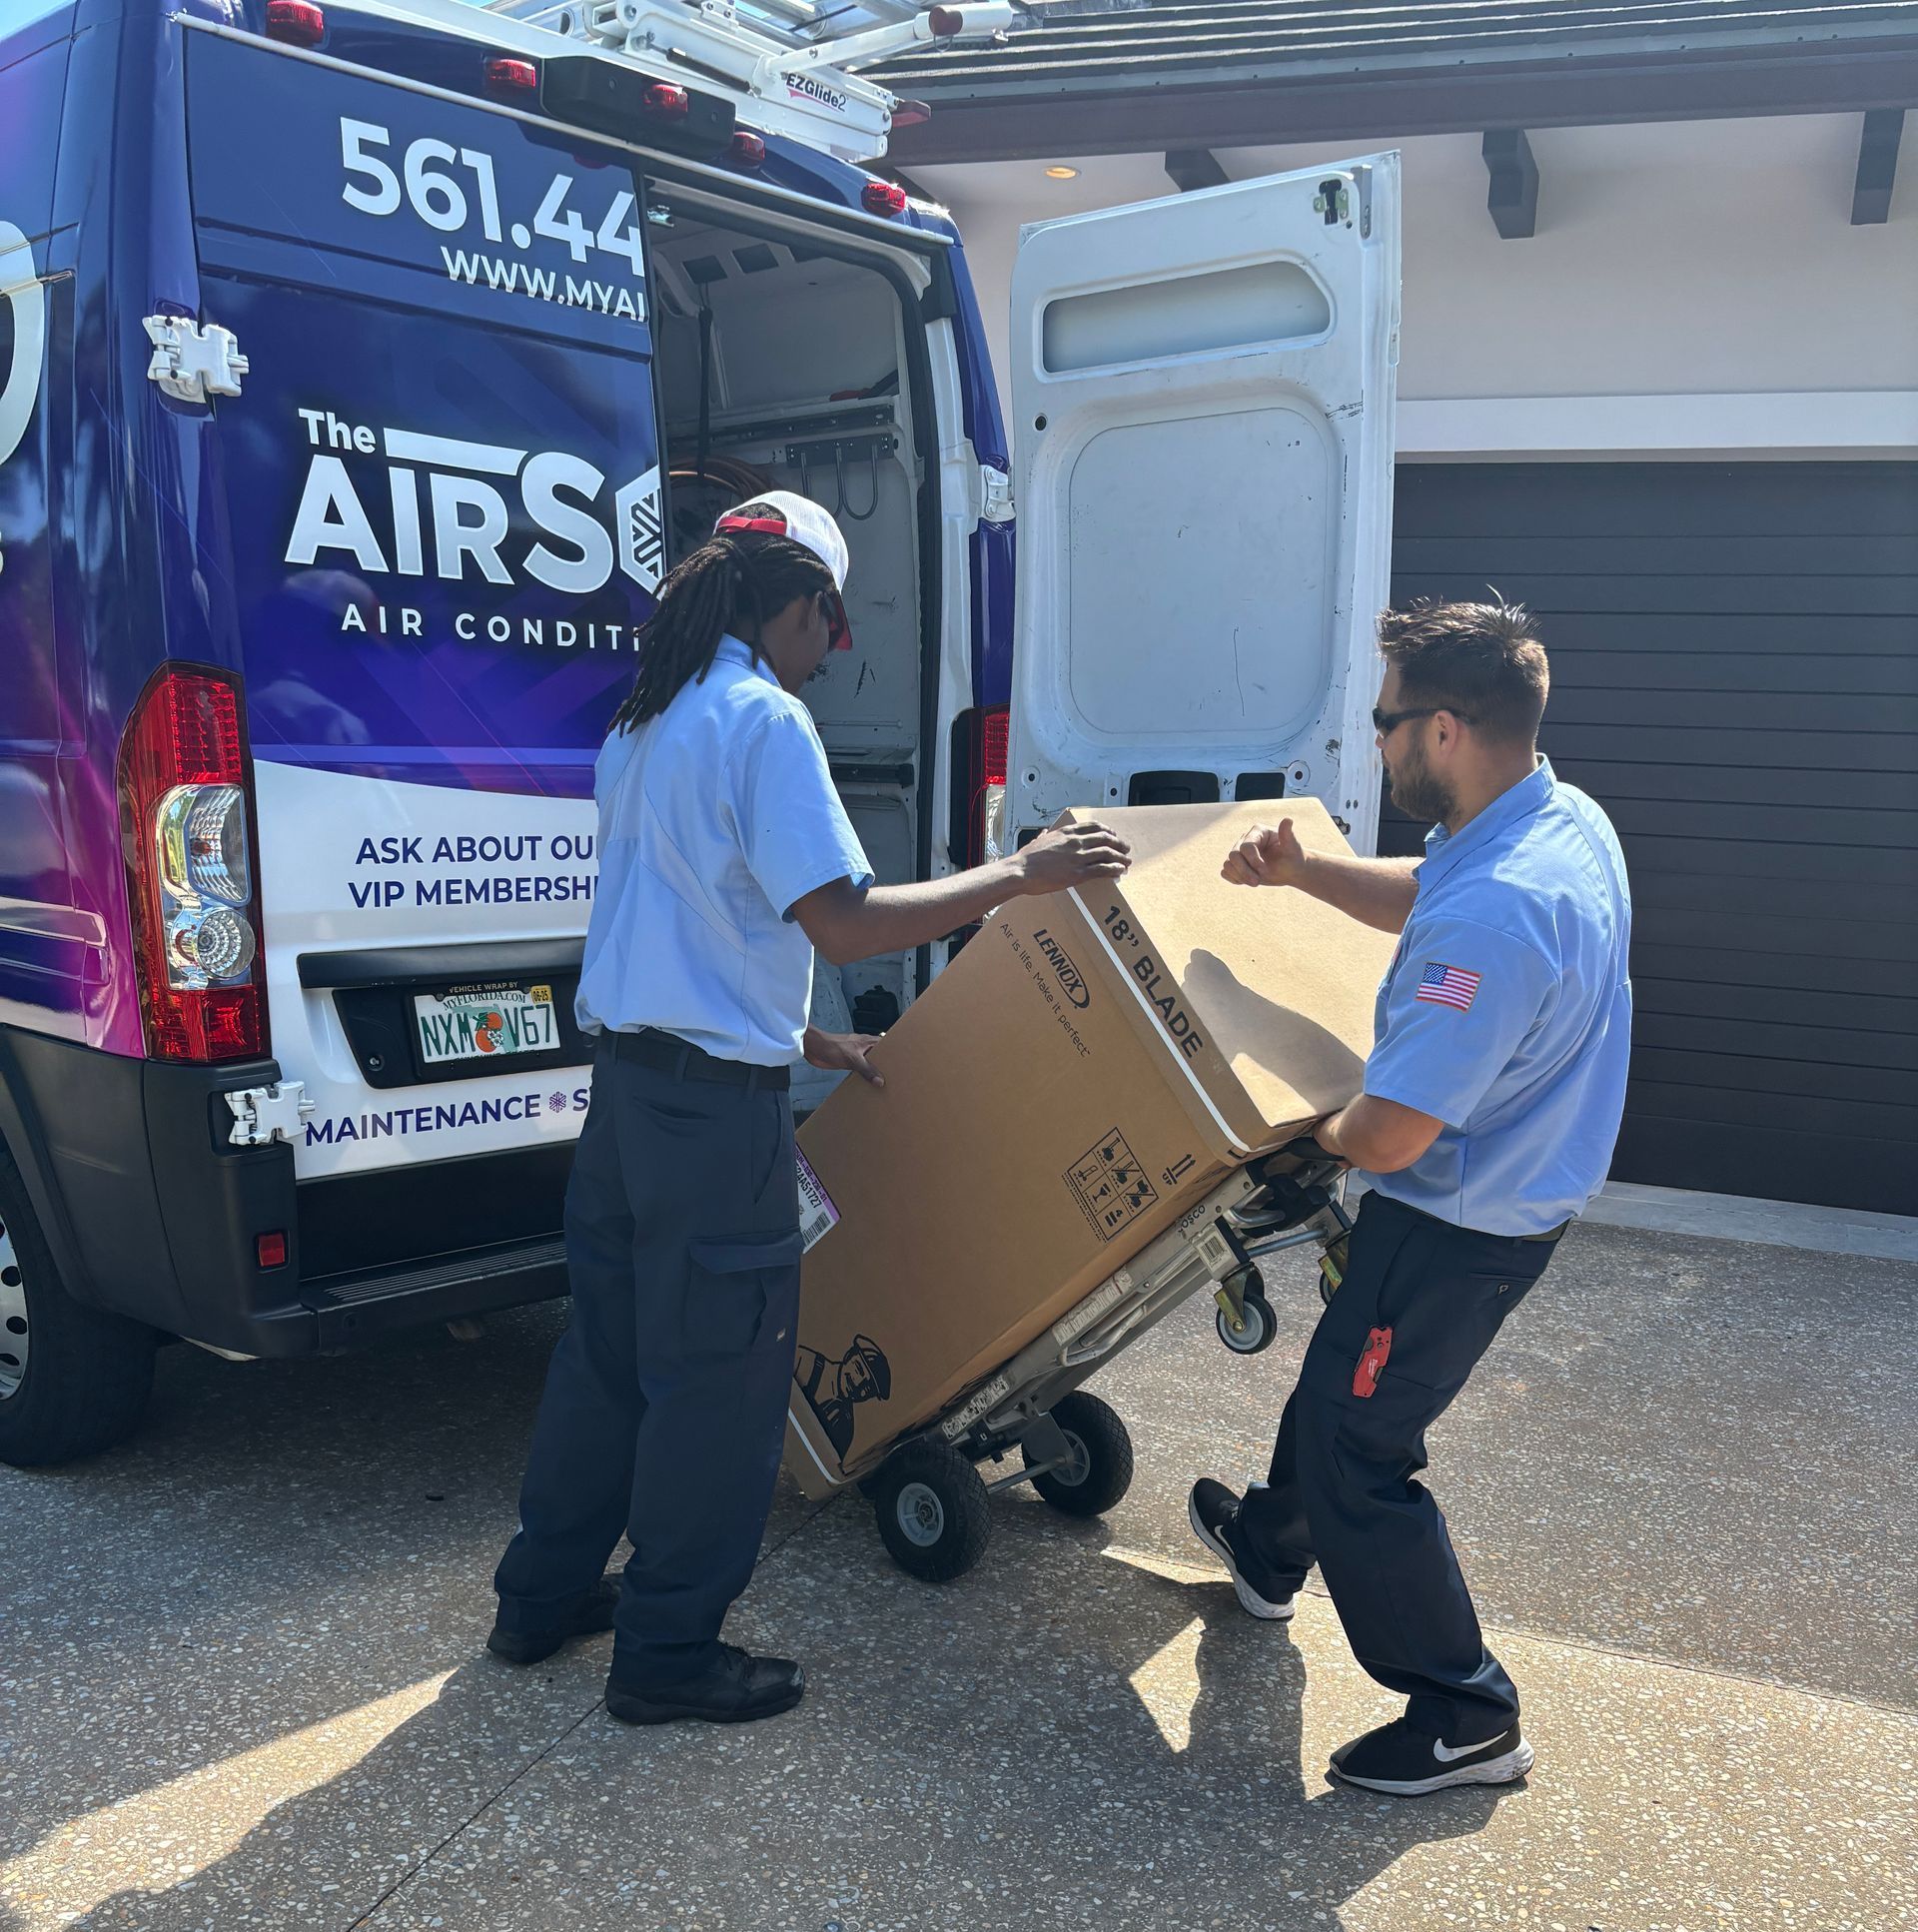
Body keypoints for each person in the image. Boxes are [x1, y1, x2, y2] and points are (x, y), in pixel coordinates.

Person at [487, 490, 1131, 1726]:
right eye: (831, 620)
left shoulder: (647, 718)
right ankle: (668, 1651)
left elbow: (679, 926)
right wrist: (1024, 873)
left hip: (623, 1100)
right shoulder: (761, 723)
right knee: (720, 1384)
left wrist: (810, 1035)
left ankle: (539, 1597)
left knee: (607, 1359)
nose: (837, 648)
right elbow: (843, 919)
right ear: (794, 601)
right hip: (708, 1125)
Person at [1189, 599, 1631, 1797]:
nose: (1373, 742)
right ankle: (1272, 1550)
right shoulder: (1553, 819)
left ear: (1443, 728)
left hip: (1457, 1224)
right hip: (1490, 1199)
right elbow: (1431, 892)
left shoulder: (1499, 912)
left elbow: (1385, 1133)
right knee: (1337, 1392)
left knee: (1361, 1451)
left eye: (1384, 722)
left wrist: (1281, 1119)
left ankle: (1465, 1709)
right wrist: (1307, 873)